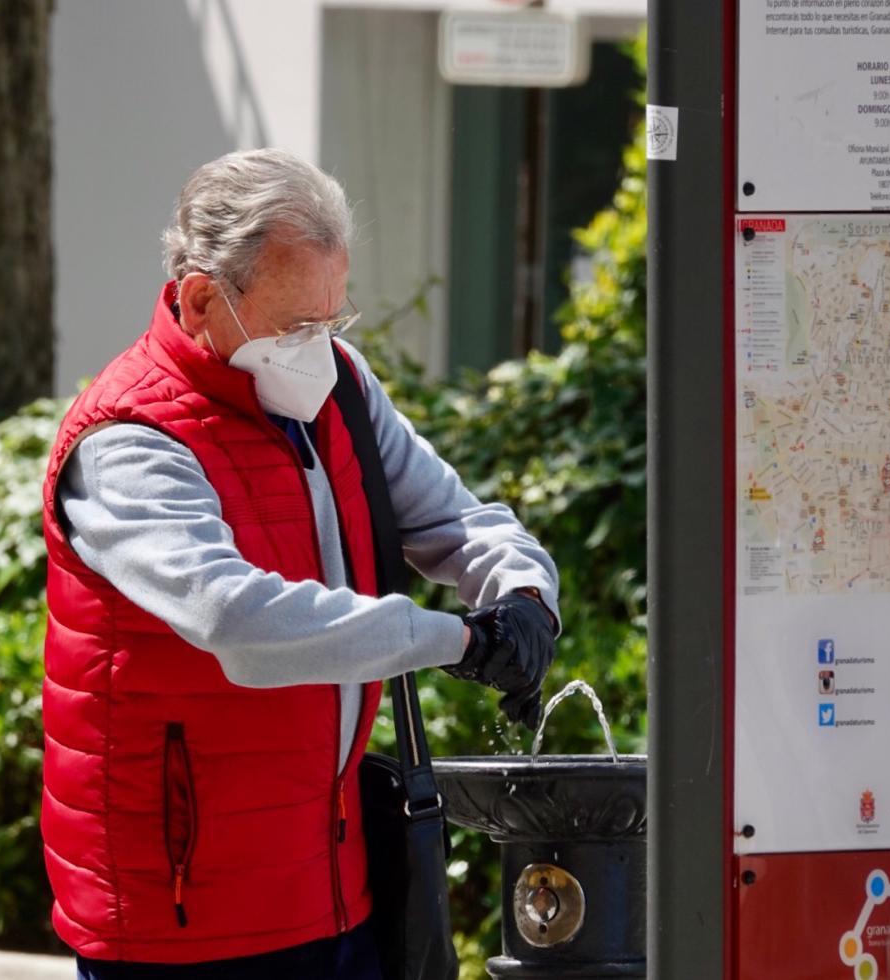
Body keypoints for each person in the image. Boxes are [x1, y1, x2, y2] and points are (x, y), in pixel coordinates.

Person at [41, 148, 559, 980]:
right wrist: (457, 641)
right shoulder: (128, 443)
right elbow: (236, 622)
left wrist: (524, 594)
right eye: (296, 326)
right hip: (180, 913)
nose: (319, 349)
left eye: (334, 319)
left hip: (333, 885)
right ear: (203, 296)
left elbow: (454, 518)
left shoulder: (340, 388)